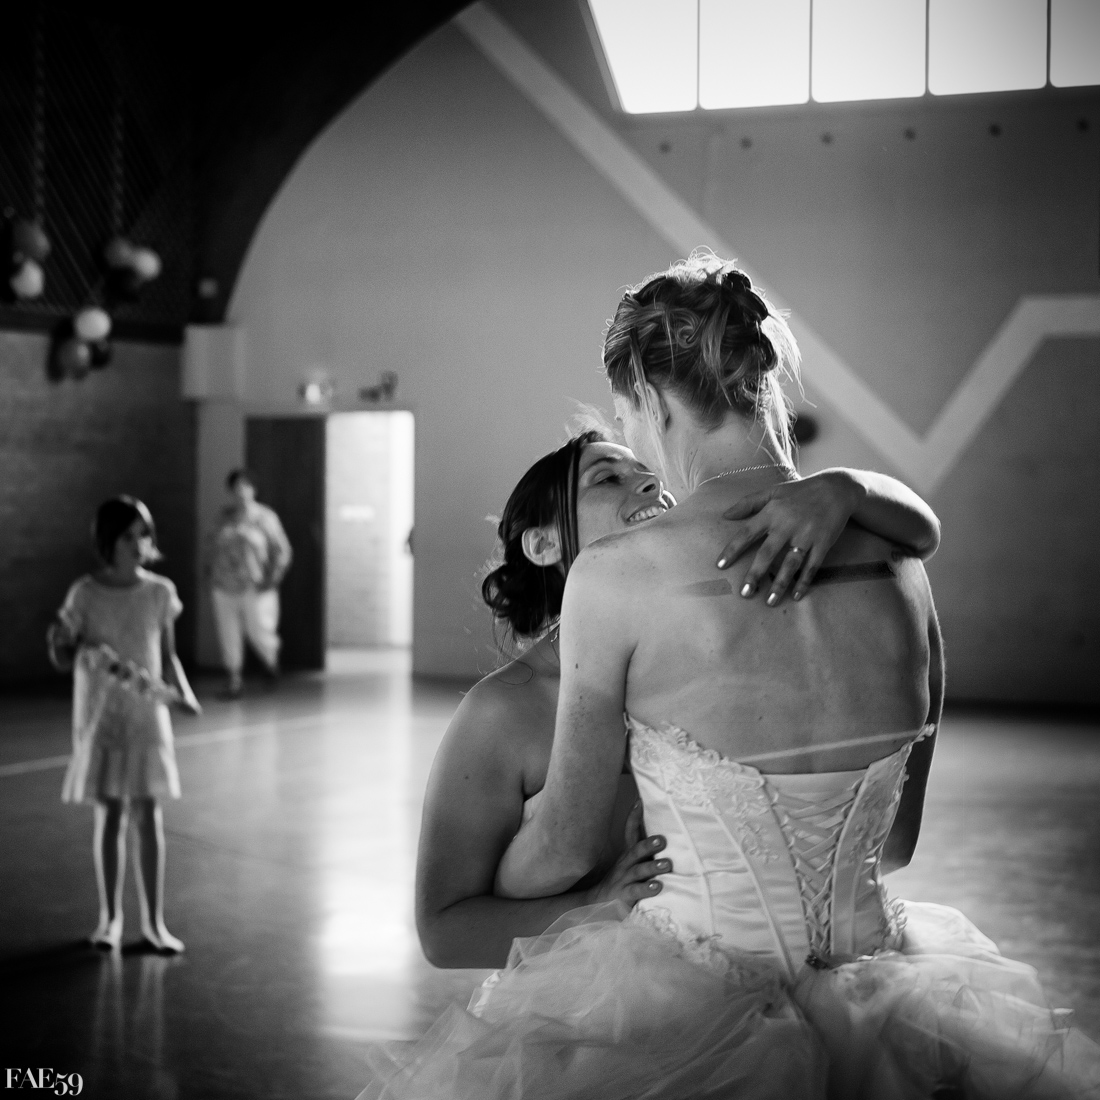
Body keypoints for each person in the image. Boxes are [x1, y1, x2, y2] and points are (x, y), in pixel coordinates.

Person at [365, 255, 1100, 1099]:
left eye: (626, 420)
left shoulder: (617, 577)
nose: (640, 457)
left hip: (683, 1009)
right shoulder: (904, 569)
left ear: (651, 399)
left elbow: (564, 844)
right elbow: (895, 845)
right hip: (889, 1000)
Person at [417, 431, 944, 971]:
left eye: (648, 472)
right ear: (542, 544)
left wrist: (848, 490)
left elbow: (892, 846)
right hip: (625, 995)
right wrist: (594, 906)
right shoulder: (502, 712)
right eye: (607, 479)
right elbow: (444, 933)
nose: (652, 483)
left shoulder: (717, 669)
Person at [48, 497, 200, 953]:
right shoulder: (85, 593)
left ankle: (154, 923)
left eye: (144, 534)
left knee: (148, 812)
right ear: (108, 540)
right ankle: (109, 920)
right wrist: (60, 644)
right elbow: (63, 656)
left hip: (146, 718)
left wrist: (183, 694)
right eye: (128, 535)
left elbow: (168, 655)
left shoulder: (159, 592)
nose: (139, 544)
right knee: (110, 811)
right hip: (102, 716)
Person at [207, 468, 292, 698]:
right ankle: (233, 679)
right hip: (224, 584)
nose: (241, 492)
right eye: (236, 487)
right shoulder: (223, 518)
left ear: (253, 489)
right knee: (228, 633)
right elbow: (211, 546)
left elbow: (282, 550)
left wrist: (273, 578)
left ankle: (271, 664)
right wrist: (210, 571)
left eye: (245, 486)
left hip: (254, 585)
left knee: (259, 630)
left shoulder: (265, 518)